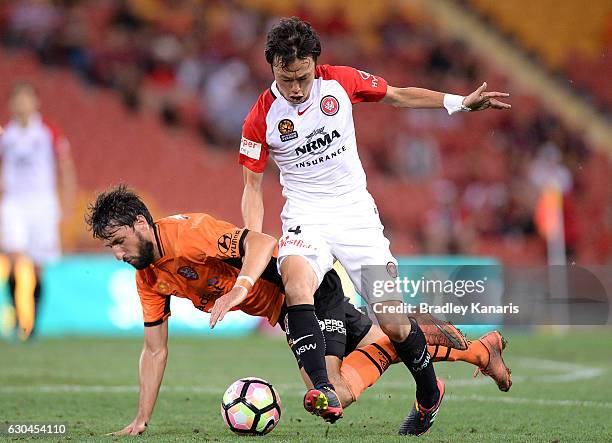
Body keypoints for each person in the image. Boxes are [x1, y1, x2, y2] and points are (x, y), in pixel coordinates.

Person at [239, 17, 511, 434]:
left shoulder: (341, 83)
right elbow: (252, 188)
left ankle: (428, 394)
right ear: (271, 66)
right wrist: (254, 240)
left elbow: (399, 96)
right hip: (305, 218)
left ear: (316, 63)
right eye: (285, 77)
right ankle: (325, 390)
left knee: (393, 322)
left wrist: (458, 102)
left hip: (356, 218)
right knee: (296, 281)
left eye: (302, 76)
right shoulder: (261, 117)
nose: (295, 88)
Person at [85, 185, 510, 436]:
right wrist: (141, 419)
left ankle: (439, 375)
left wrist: (243, 287)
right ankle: (479, 352)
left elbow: (264, 243)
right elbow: (154, 350)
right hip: (286, 310)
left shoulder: (189, 233)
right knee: (389, 337)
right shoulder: (149, 279)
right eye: (110, 248)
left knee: (332, 397)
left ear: (141, 223)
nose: (118, 254)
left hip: (305, 289)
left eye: (118, 241)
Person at [0, 83, 76, 341]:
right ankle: (17, 317)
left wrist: (67, 203)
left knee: (37, 266)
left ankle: (33, 324)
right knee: (11, 258)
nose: (22, 104)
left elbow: (65, 165)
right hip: (14, 203)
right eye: (18, 99)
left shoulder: (48, 131)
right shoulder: (5, 134)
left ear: (36, 102)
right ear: (11, 104)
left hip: (42, 203)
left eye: (27, 99)